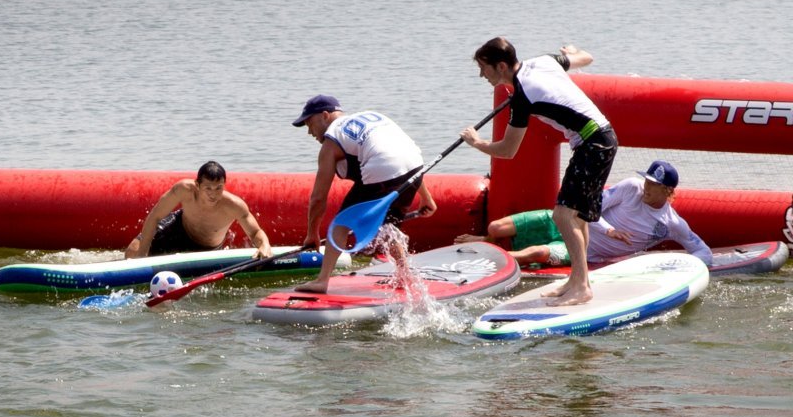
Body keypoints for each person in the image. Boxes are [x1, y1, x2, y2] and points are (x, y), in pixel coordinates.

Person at [460, 38, 618, 305]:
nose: (481, 75)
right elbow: (586, 57)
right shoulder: (545, 61)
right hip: (602, 138)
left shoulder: (523, 97)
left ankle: (581, 285)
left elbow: (508, 151)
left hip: (593, 144)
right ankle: (579, 280)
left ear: (500, 66)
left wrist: (476, 143)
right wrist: (571, 52)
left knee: (562, 215)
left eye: (484, 68)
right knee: (577, 218)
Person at [292, 94, 437, 293]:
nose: (309, 131)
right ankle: (405, 275)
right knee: (388, 226)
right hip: (416, 165)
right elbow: (401, 157)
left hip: (383, 166)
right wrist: (425, 196)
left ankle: (322, 281)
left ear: (325, 115)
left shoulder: (331, 140)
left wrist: (312, 234)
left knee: (341, 224)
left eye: (309, 123)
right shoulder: (370, 116)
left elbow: (318, 197)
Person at [455, 160, 713, 267]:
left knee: (535, 253)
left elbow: (703, 251)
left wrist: (686, 268)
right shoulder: (631, 188)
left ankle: (484, 262)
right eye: (646, 181)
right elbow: (589, 208)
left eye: (653, 185)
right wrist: (610, 230)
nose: (646, 187)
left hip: (581, 248)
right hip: (562, 220)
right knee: (495, 228)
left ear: (667, 191)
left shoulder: (669, 224)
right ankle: (485, 242)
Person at [124, 160, 273, 259]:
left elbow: (255, 232)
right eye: (208, 188)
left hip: (207, 248)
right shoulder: (183, 190)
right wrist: (142, 256)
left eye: (218, 188)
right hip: (179, 228)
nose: (213, 194)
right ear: (197, 185)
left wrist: (264, 245)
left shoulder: (234, 206)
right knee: (132, 251)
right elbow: (154, 216)